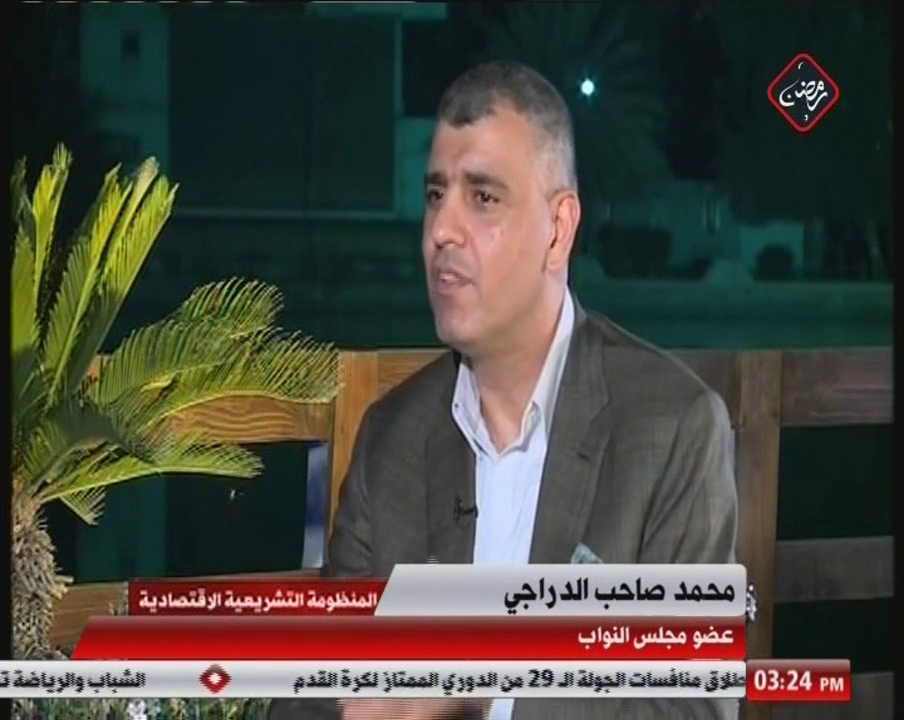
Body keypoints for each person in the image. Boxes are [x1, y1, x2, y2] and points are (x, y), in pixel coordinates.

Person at [270, 60, 738, 720]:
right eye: (436, 195)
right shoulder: (391, 436)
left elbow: (689, 708)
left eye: (483, 197)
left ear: (558, 229)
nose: (442, 230)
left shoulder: (673, 429)